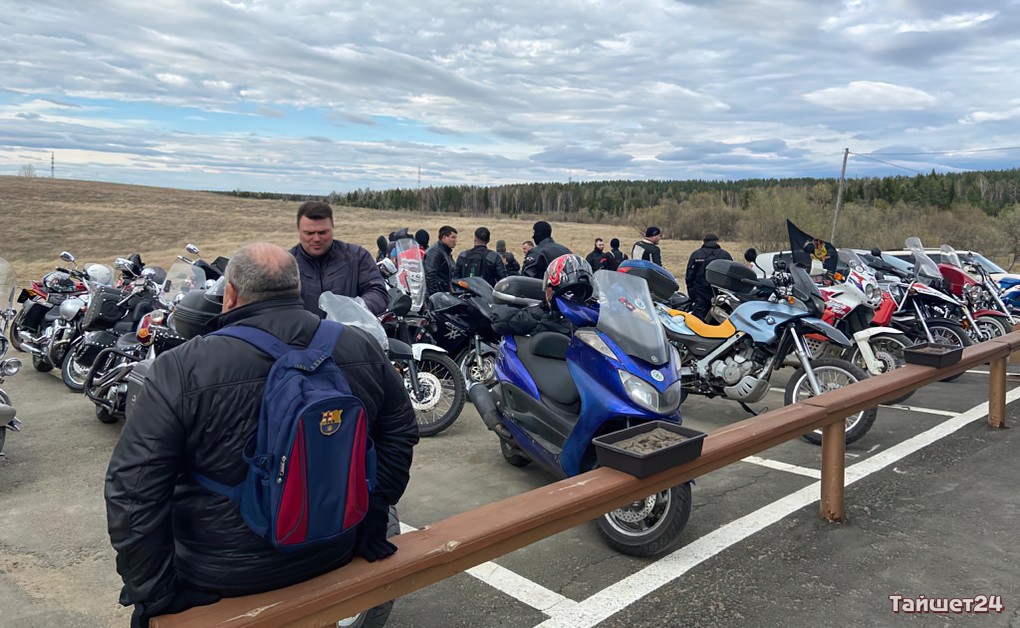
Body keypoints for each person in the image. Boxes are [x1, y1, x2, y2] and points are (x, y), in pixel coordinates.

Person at [105, 243, 419, 627]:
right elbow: (400, 430)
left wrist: (153, 590)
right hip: (333, 550)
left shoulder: (183, 367)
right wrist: (373, 512)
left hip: (220, 576)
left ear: (231, 294)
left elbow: (133, 489)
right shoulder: (359, 346)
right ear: (298, 288)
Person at [289, 201, 388, 316]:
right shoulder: (285, 265)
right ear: (298, 231)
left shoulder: (357, 257)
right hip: (302, 328)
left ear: (332, 228)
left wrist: (355, 308)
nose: (316, 239)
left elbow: (378, 293)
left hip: (350, 327)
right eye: (309, 233)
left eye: (322, 232)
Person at [490, 254, 592, 337]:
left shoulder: (592, 314)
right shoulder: (542, 313)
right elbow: (502, 321)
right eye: (569, 292)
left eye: (579, 292)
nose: (573, 297)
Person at [685, 233, 732, 320]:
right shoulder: (725, 255)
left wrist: (692, 294)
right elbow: (731, 275)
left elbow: (689, 277)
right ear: (716, 241)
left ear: (704, 242)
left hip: (700, 292)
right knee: (720, 318)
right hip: (720, 293)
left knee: (698, 318)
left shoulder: (696, 254)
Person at [425, 225, 458, 296]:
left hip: (444, 291)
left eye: (456, 238)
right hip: (437, 294)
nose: (455, 240)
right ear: (444, 237)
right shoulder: (435, 252)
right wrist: (435, 295)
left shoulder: (445, 251)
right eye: (453, 237)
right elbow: (430, 275)